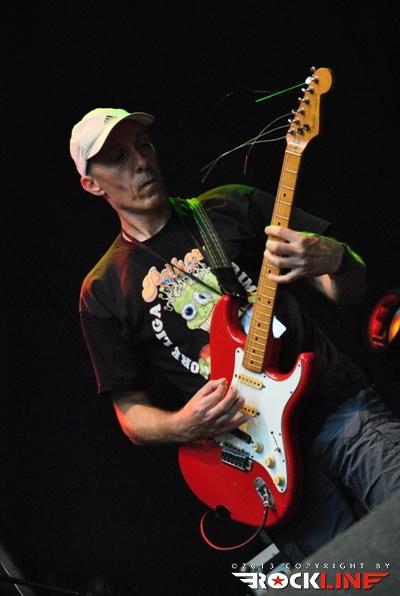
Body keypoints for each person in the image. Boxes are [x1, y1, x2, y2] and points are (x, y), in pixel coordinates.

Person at [70, 107, 400, 560]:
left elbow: (348, 291)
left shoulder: (230, 207)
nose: (141, 162)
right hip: (258, 459)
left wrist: (337, 259)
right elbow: (130, 414)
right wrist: (181, 424)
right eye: (117, 157)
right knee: (349, 580)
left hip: (340, 411)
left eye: (143, 146)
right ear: (92, 184)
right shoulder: (103, 289)